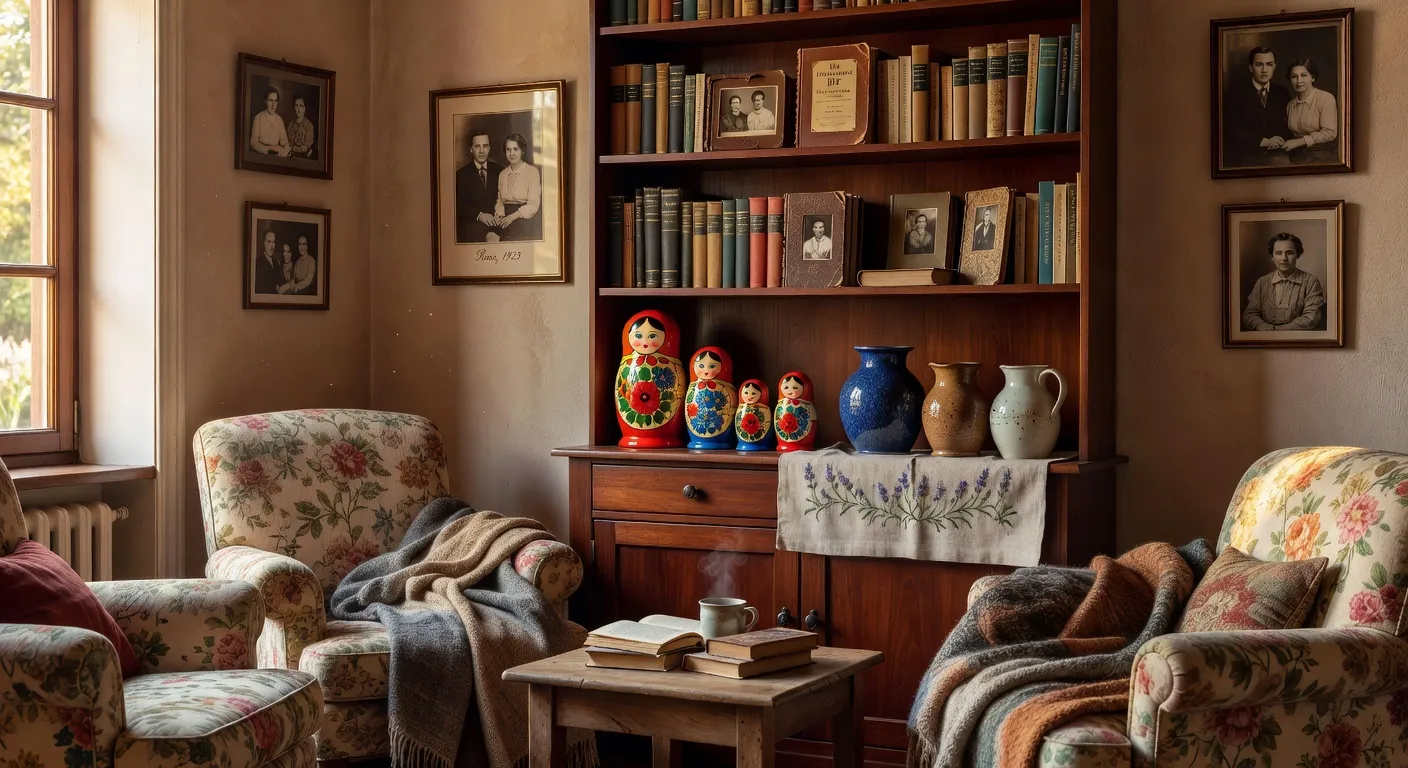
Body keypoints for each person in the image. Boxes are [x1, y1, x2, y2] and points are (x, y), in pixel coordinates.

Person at [1222, 46, 1292, 167]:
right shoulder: (1234, 94)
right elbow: (1232, 130)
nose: (1265, 70)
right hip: (1245, 156)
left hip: (1277, 154)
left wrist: (1278, 140)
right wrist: (1265, 141)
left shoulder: (1282, 93)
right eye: (1259, 64)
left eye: (1269, 64)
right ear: (1251, 67)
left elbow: (1288, 125)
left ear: (1274, 66)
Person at [1242, 232, 1326, 331]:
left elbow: (1311, 316)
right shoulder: (1262, 282)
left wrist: (1278, 331)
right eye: (1278, 253)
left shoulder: (1311, 281)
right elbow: (1250, 313)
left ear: (1297, 255)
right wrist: (1262, 327)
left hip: (1297, 340)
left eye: (1290, 253)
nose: (1284, 258)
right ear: (1272, 257)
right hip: (1265, 339)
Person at [1278, 57, 1339, 164]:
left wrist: (1299, 142)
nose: (1299, 81)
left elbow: (1330, 133)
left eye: (1304, 75)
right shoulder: (1290, 105)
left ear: (1313, 77)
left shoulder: (1325, 98)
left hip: (1322, 154)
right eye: (1294, 77)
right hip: (1297, 153)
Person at [491, 133, 543, 242]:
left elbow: (533, 205)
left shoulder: (532, 172)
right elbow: (500, 200)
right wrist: (499, 215)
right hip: (505, 218)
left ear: (522, 151)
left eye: (515, 149)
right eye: (508, 150)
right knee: (490, 236)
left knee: (506, 241)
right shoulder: (502, 174)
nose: (512, 153)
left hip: (524, 219)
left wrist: (513, 216)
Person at [455, 130, 503, 243]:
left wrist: (500, 214)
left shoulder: (500, 171)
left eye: (485, 146)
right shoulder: (461, 175)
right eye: (477, 146)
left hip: (498, 224)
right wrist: (479, 215)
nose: (482, 151)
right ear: (471, 149)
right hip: (473, 227)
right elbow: (459, 205)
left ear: (489, 148)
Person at [250, 86, 290, 157]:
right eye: (270, 100)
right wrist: (270, 149)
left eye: (275, 101)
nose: (273, 105)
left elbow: (285, 143)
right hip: (260, 156)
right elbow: (253, 143)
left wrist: (284, 151)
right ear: (265, 101)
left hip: (276, 157)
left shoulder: (279, 120)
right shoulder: (258, 118)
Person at [287, 94, 316, 159]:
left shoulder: (308, 125)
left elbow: (306, 148)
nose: (298, 109)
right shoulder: (290, 125)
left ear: (305, 108)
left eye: (301, 106)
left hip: (303, 158)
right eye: (296, 105)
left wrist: (293, 148)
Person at [253, 230, 282, 294]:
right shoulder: (258, 261)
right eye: (269, 242)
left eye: (273, 242)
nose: (272, 246)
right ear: (264, 243)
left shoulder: (276, 262)